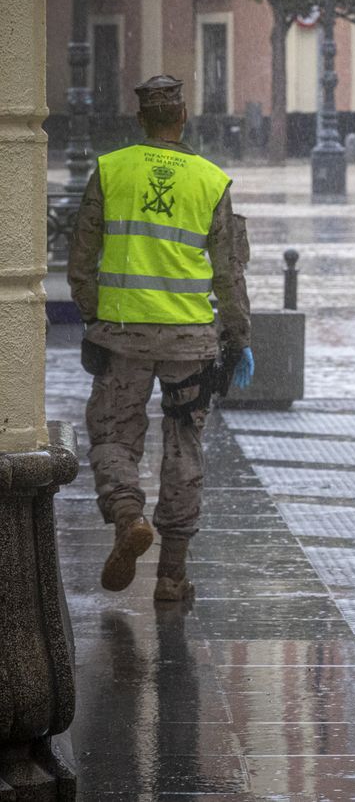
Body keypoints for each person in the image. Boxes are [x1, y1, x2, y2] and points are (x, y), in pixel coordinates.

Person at [68, 74, 253, 602]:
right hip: (191, 343)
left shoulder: (111, 170)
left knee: (112, 436)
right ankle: (172, 576)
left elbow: (81, 259)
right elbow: (228, 274)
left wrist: (91, 317)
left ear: (141, 119)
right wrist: (238, 336)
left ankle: (128, 516)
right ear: (183, 118)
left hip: (121, 334)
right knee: (184, 447)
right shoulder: (210, 179)